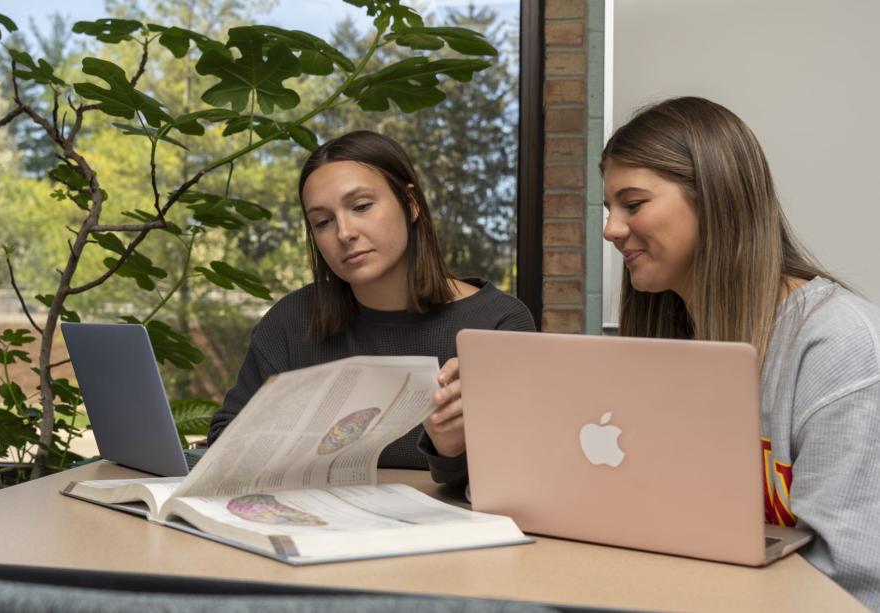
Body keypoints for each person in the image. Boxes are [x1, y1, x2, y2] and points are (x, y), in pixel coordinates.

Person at [428, 96, 880, 606]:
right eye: (608, 209)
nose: (611, 229)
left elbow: (848, 580)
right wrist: (489, 439)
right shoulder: (675, 334)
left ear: (716, 198)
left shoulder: (839, 345)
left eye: (633, 204)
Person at [207, 130, 535, 481]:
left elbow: (527, 471)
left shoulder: (498, 324)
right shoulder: (292, 321)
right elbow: (222, 446)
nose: (344, 232)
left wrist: (451, 451)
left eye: (361, 207)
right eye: (322, 222)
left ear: (411, 204)